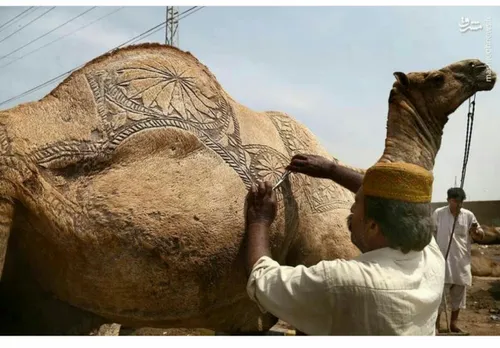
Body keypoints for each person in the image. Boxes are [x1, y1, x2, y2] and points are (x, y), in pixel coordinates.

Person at [244, 154, 445, 335]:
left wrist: (259, 221)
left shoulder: (346, 282)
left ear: (373, 226)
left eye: (357, 203)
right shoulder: (431, 256)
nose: (351, 206)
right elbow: (393, 199)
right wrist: (332, 171)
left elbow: (263, 280)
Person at [433, 187, 484, 334]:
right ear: (449, 200)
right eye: (455, 201)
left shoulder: (468, 216)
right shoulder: (439, 214)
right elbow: (430, 234)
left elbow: (480, 234)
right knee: (439, 296)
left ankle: (453, 325)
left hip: (461, 262)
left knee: (458, 297)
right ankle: (436, 325)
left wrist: (476, 232)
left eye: (460, 201)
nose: (458, 204)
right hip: (442, 261)